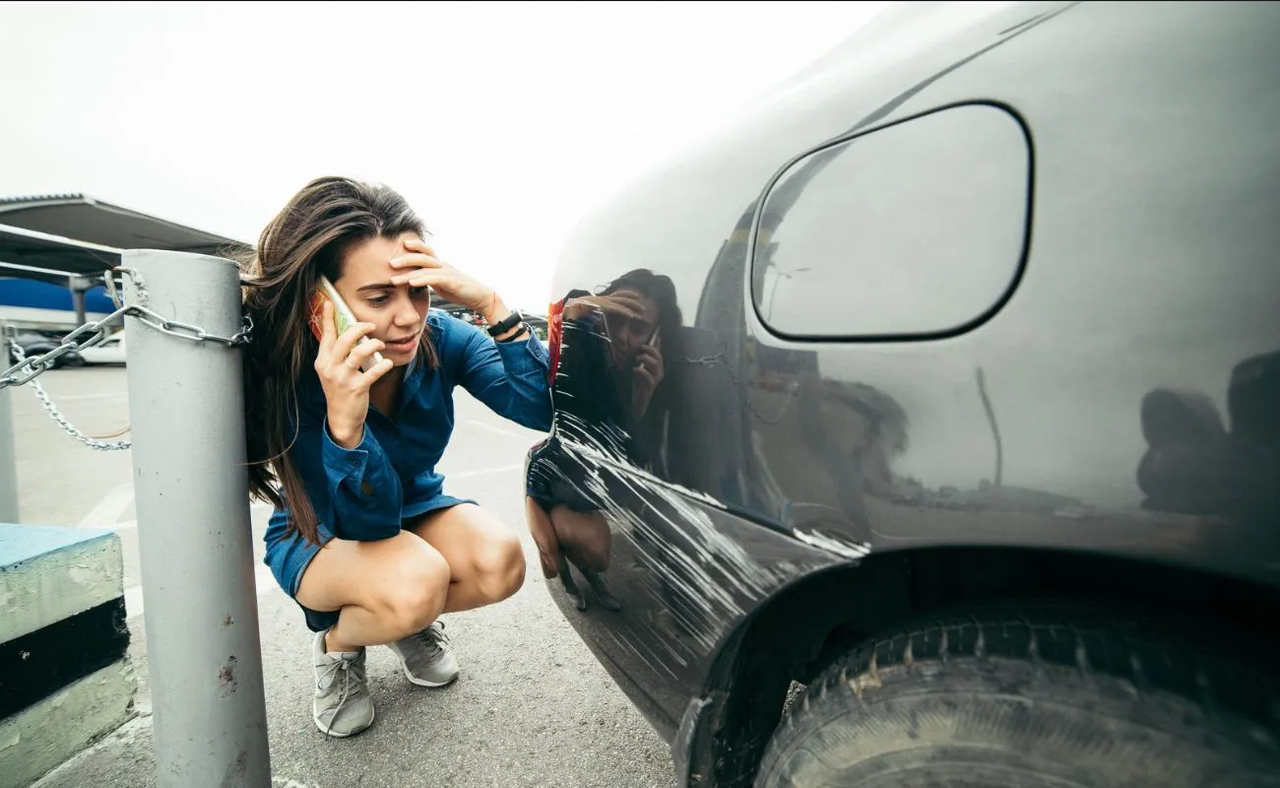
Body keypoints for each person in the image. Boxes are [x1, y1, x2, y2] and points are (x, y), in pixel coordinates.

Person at [239, 176, 552, 738]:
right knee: (415, 581)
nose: (409, 317)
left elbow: (536, 406)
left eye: (419, 291)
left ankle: (401, 615)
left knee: (500, 561)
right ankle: (341, 644)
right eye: (380, 297)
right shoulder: (293, 375)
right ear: (322, 302)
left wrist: (492, 305)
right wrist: (345, 422)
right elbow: (366, 522)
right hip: (325, 532)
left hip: (415, 509)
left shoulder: (441, 337)